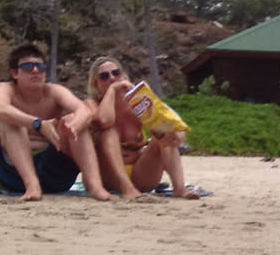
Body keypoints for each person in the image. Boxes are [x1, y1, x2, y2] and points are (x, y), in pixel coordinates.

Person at [0, 44, 130, 202]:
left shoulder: (54, 91)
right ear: (15, 73)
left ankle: (95, 187)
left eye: (40, 67)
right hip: (12, 175)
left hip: (54, 173)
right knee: (11, 122)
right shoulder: (5, 89)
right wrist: (38, 124)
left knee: (74, 121)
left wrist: (74, 127)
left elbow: (84, 111)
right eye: (28, 67)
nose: (36, 71)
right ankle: (32, 186)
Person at [85, 55, 205, 198]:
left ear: (123, 76)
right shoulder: (91, 104)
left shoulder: (136, 102)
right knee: (108, 132)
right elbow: (104, 121)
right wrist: (111, 90)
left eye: (116, 73)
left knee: (162, 135)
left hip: (141, 173)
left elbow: (167, 119)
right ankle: (127, 188)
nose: (112, 78)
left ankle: (179, 188)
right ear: (96, 83)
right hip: (110, 177)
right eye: (104, 76)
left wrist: (177, 135)